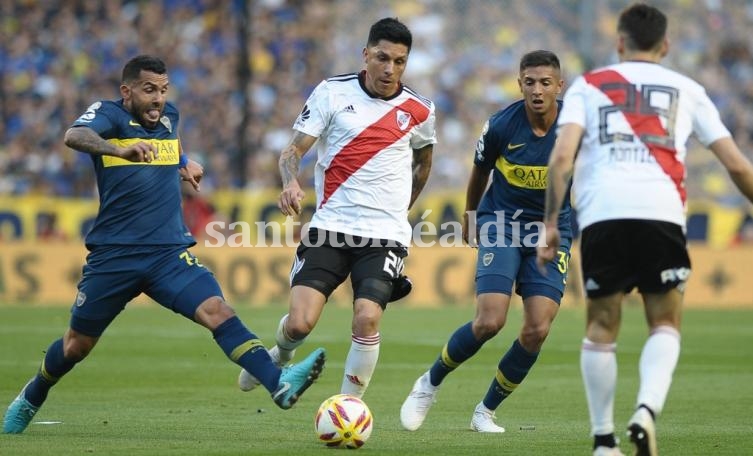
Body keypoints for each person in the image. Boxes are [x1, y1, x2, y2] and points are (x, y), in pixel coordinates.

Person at [2, 55, 326, 435]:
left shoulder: (169, 115)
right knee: (76, 346)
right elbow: (74, 136)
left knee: (217, 311)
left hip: (167, 253)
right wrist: (118, 149)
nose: (158, 98)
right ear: (127, 91)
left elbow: (168, 143)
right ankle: (33, 395)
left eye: (162, 90)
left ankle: (278, 382)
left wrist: (185, 162)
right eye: (148, 90)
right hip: (115, 256)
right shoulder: (108, 116)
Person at [537, 4, 753, 456]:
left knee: (600, 326)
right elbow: (735, 164)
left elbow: (560, 159)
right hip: (661, 213)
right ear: (666, 46)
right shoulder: (688, 89)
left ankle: (602, 441)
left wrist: (551, 222)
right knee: (665, 323)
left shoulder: (589, 86)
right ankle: (645, 412)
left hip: (603, 215)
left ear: (619, 42)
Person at [237, 17, 436, 399]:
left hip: (384, 236)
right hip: (331, 226)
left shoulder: (420, 110)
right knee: (299, 324)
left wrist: (400, 211)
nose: (389, 69)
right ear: (366, 55)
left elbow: (423, 164)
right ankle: (279, 354)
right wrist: (290, 181)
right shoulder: (332, 92)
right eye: (382, 58)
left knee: (367, 317)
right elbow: (293, 151)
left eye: (399, 61)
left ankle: (349, 407)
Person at [399, 50, 571, 433]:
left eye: (546, 83)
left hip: (553, 229)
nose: (537, 91)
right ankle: (430, 382)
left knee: (537, 329)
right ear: (519, 84)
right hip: (502, 222)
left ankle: (485, 411)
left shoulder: (577, 129)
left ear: (560, 86)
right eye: (530, 82)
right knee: (490, 320)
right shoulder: (501, 126)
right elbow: (479, 171)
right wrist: (471, 215)